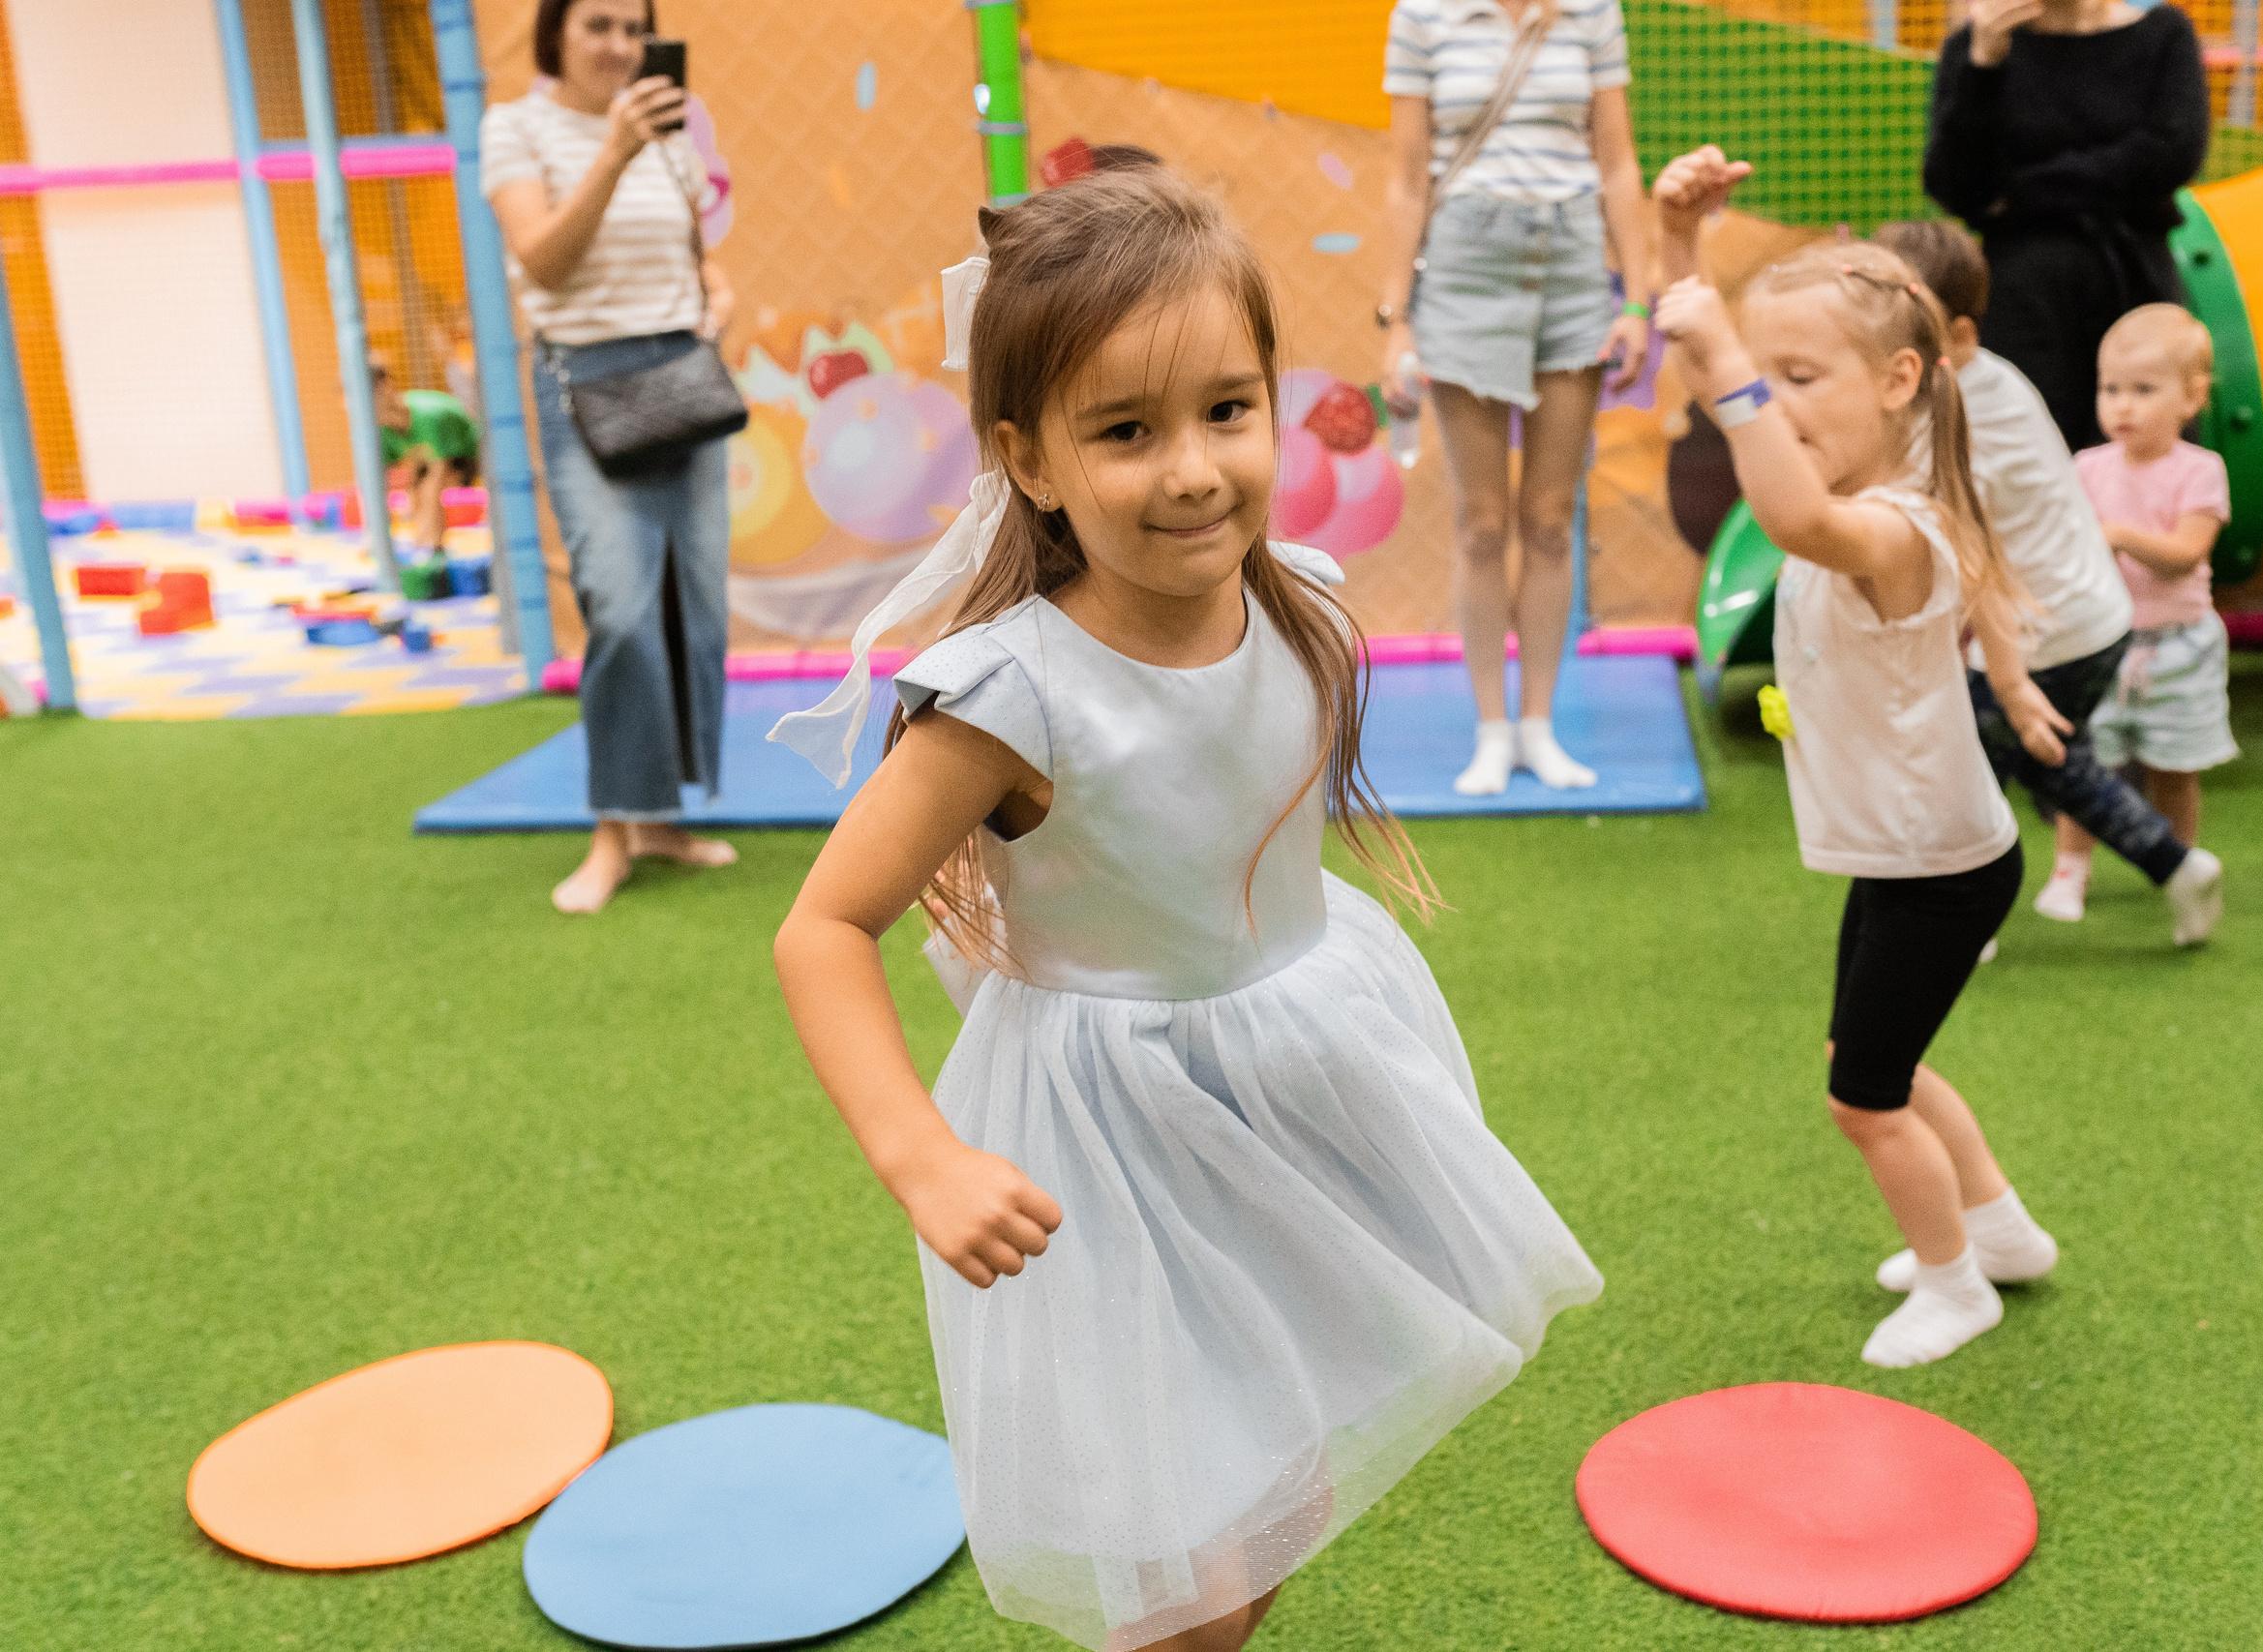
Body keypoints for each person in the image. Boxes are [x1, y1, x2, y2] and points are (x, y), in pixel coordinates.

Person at [769, 172, 1601, 1651]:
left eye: (1229, 408)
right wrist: (924, 1160)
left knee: (1268, 1460)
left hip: (1299, 1074)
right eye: (1126, 430)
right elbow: (822, 928)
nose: (1195, 469)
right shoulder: (1009, 694)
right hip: (1107, 1146)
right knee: (1176, 1559)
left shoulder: (1309, 605)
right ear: (1027, 459)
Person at [1655, 152, 2057, 1368]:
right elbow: (1701, 347)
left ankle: (1954, 1286)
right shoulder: (1890, 495)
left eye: (1799, 379)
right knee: (1872, 1060)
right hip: (1912, 854)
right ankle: (1999, 1233)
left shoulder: (1898, 530)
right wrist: (1683, 249)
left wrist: (1731, 375)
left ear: (1897, 383)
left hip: (1938, 863)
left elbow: (1795, 520)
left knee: (1861, 1098)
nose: (1770, 403)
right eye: (1764, 375)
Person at [1872, 222, 2222, 947]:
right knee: (2026, 761)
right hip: (2074, 616)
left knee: (1994, 757)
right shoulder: (1979, 376)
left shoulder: (1969, 404)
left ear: (1956, 330)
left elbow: (1949, 528)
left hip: (2054, 627)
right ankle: (2173, 867)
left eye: (1899, 310)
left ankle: (2159, 866)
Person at [482, 0, 738, 915]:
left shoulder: (667, 133)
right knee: (621, 608)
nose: (620, 46)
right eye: (599, 25)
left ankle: (661, 819)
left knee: (689, 611)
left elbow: (692, 253)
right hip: (586, 384)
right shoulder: (515, 128)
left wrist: (716, 292)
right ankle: (610, 830)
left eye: (634, 28)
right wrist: (615, 151)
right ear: (556, 33)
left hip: (685, 375)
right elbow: (544, 260)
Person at [1378, 0, 1652, 795]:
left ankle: (1539, 724)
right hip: (1463, 272)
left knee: (1547, 518)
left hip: (1570, 270)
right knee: (1481, 521)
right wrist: (1395, 323)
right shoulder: (1423, 16)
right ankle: (1491, 729)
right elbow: (1405, 177)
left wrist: (1635, 301)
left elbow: (1618, 161)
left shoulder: (1590, 11)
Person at [1921, 0, 2209, 451]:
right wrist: (1983, 66)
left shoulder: (2162, 34)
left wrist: (2020, 193)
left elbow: (2170, 154)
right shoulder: (1975, 46)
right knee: (2028, 448)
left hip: (2132, 276)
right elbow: (1955, 186)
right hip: (2024, 293)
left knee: (2145, 452)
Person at [2067, 304, 2237, 903]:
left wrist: (2119, 537)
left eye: (2143, 389)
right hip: (2104, 640)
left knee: (2174, 766)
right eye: (2110, 389)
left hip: (2178, 643)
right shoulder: (2086, 467)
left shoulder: (2200, 471)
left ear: (2190, 400)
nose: (2123, 405)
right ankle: (2070, 870)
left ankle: (2178, 866)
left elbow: (2187, 553)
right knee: (2084, 763)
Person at [370, 361, 479, 564]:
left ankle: (437, 549)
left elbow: (437, 479)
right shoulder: (383, 430)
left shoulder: (428, 415)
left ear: (383, 390)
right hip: (428, 458)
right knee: (412, 496)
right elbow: (377, 487)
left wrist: (425, 538)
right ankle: (427, 545)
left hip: (468, 450)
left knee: (429, 491)